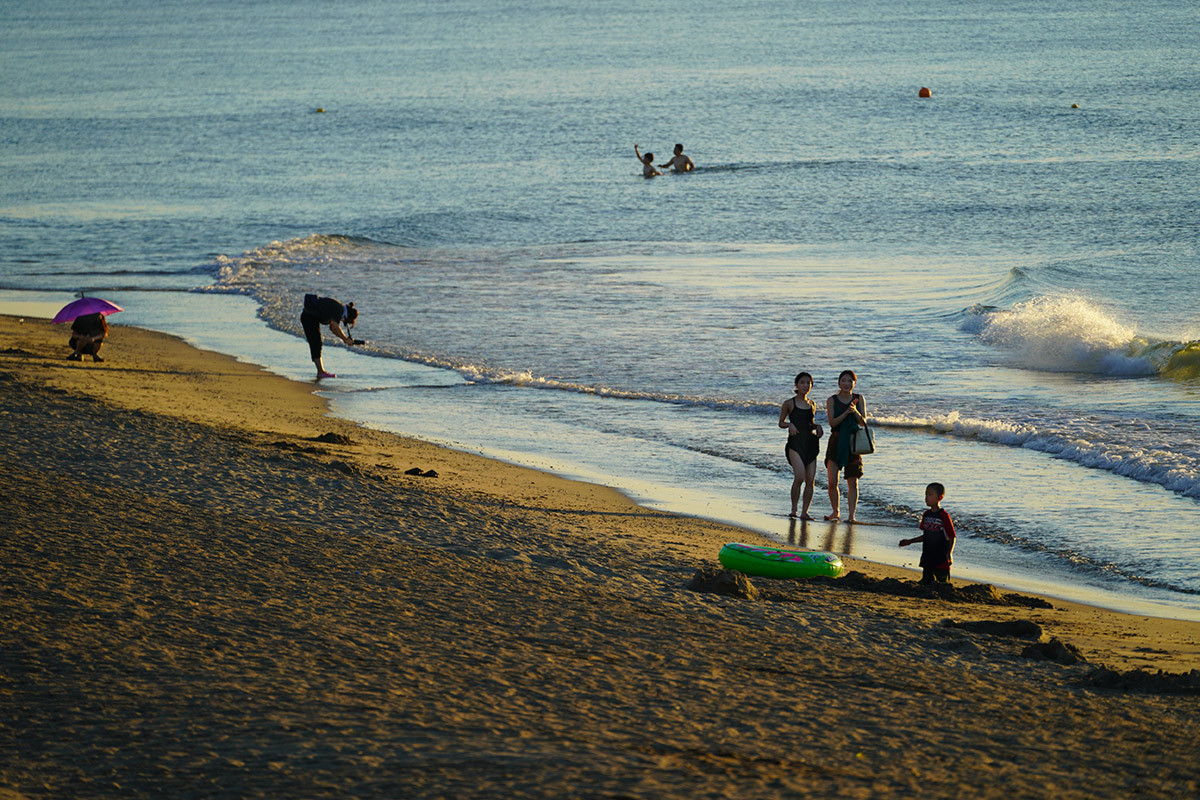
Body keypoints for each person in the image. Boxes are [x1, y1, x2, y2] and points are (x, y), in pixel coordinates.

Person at [778, 371, 823, 519]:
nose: (805, 385)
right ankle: (794, 509)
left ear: (811, 386)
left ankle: (805, 512)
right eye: (802, 383)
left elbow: (809, 424)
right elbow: (780, 423)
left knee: (810, 480)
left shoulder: (812, 404)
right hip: (795, 443)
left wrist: (818, 427)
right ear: (796, 385)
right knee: (799, 477)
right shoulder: (789, 403)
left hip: (811, 444)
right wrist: (789, 424)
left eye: (808, 383)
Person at [824, 369, 866, 522]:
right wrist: (846, 412)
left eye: (850, 381)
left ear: (854, 383)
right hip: (835, 441)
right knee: (832, 482)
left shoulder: (859, 398)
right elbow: (832, 422)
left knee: (853, 482)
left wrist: (854, 411)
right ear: (839, 382)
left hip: (853, 443)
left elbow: (863, 422)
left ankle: (851, 516)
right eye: (844, 381)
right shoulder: (832, 400)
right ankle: (835, 512)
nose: (847, 384)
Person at [899, 482, 957, 584]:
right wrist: (910, 541)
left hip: (941, 557)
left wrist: (950, 553)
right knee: (926, 581)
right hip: (928, 555)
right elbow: (926, 535)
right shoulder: (926, 515)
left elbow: (952, 536)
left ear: (940, 497)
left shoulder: (944, 516)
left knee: (943, 583)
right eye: (926, 494)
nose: (926, 497)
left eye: (930, 495)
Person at [301, 294, 362, 379]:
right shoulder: (339, 310)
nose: (343, 321)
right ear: (347, 316)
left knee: (316, 343)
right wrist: (345, 339)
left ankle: (320, 371)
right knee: (316, 344)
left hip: (309, 317)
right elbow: (335, 327)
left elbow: (332, 328)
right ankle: (320, 372)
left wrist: (344, 339)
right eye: (346, 321)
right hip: (309, 318)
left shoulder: (339, 308)